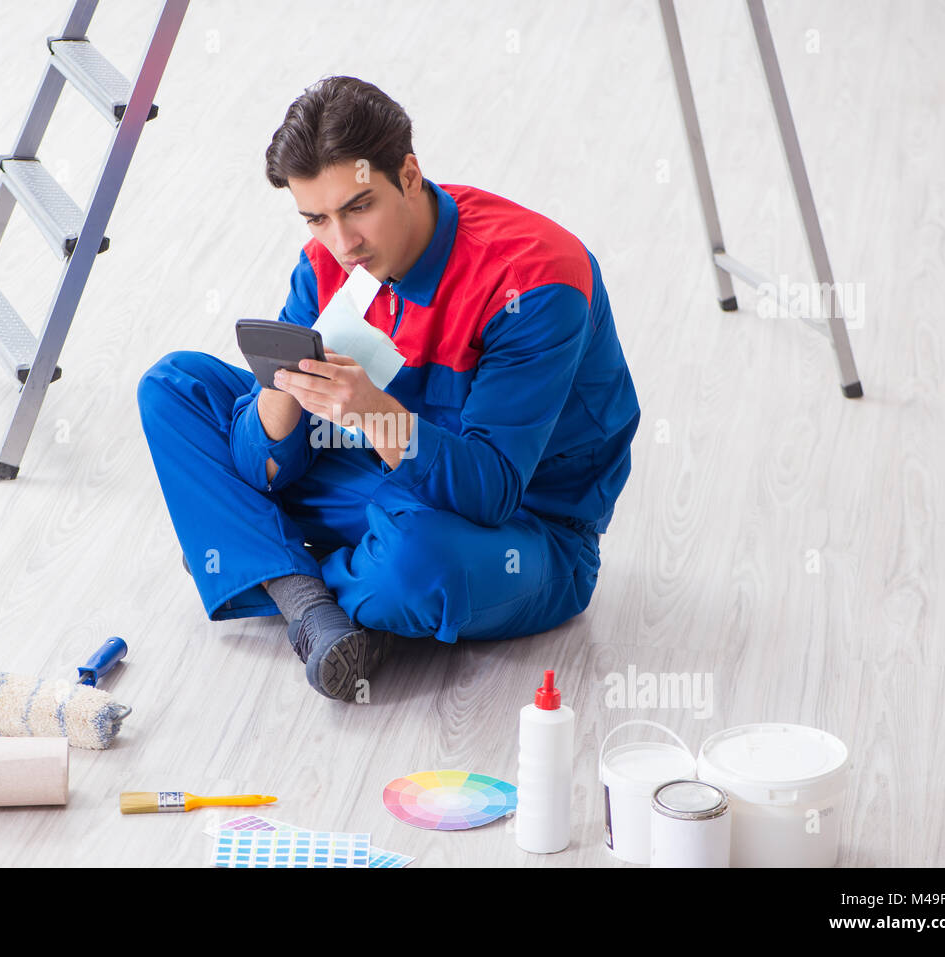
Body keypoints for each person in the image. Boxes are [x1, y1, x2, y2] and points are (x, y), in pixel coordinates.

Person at [137, 75, 639, 702]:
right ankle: (308, 601)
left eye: (358, 207)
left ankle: (259, 563)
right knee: (173, 389)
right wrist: (280, 394)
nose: (342, 243)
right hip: (378, 481)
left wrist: (376, 414)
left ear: (407, 175)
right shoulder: (326, 264)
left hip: (518, 532)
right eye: (317, 217)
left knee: (414, 563)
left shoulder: (535, 285)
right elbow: (262, 468)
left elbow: (491, 493)